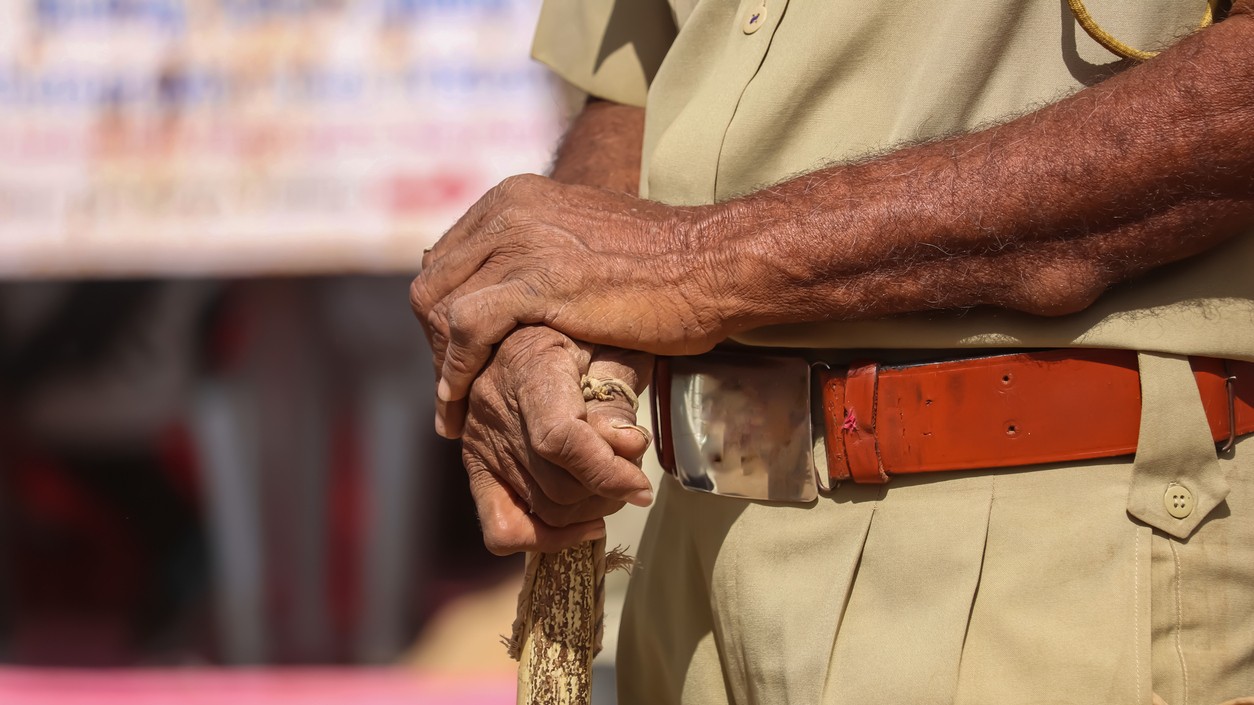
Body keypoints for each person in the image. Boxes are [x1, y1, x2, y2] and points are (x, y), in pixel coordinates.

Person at [410, 0, 1254, 702]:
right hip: (695, 551)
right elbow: (638, 79)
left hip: (1056, 554)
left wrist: (693, 264)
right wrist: (559, 328)